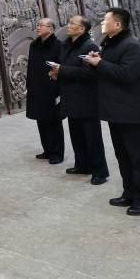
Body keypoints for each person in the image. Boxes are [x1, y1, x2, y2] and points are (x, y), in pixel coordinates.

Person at [83, 8, 140, 216]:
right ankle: (129, 193)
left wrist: (100, 63)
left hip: (130, 111)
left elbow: (127, 75)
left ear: (117, 25)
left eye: (105, 20)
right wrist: (96, 62)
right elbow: (109, 70)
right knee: (123, 155)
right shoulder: (111, 44)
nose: (102, 23)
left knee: (137, 157)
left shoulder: (132, 46)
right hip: (115, 110)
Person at [49, 15, 108, 185]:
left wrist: (62, 70)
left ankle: (100, 172)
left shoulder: (89, 46)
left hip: (86, 98)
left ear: (82, 29)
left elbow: (90, 73)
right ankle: (82, 165)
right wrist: (56, 72)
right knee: (77, 135)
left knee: (92, 137)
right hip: (71, 96)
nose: (68, 26)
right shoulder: (66, 45)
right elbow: (64, 67)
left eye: (72, 23)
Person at [26, 18, 64, 164]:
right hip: (36, 88)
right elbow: (31, 66)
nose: (38, 27)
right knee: (41, 120)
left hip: (51, 88)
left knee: (53, 121)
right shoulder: (34, 45)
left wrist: (58, 85)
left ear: (51, 29)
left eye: (41, 25)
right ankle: (47, 150)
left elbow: (61, 66)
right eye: (38, 25)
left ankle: (57, 153)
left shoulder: (58, 45)